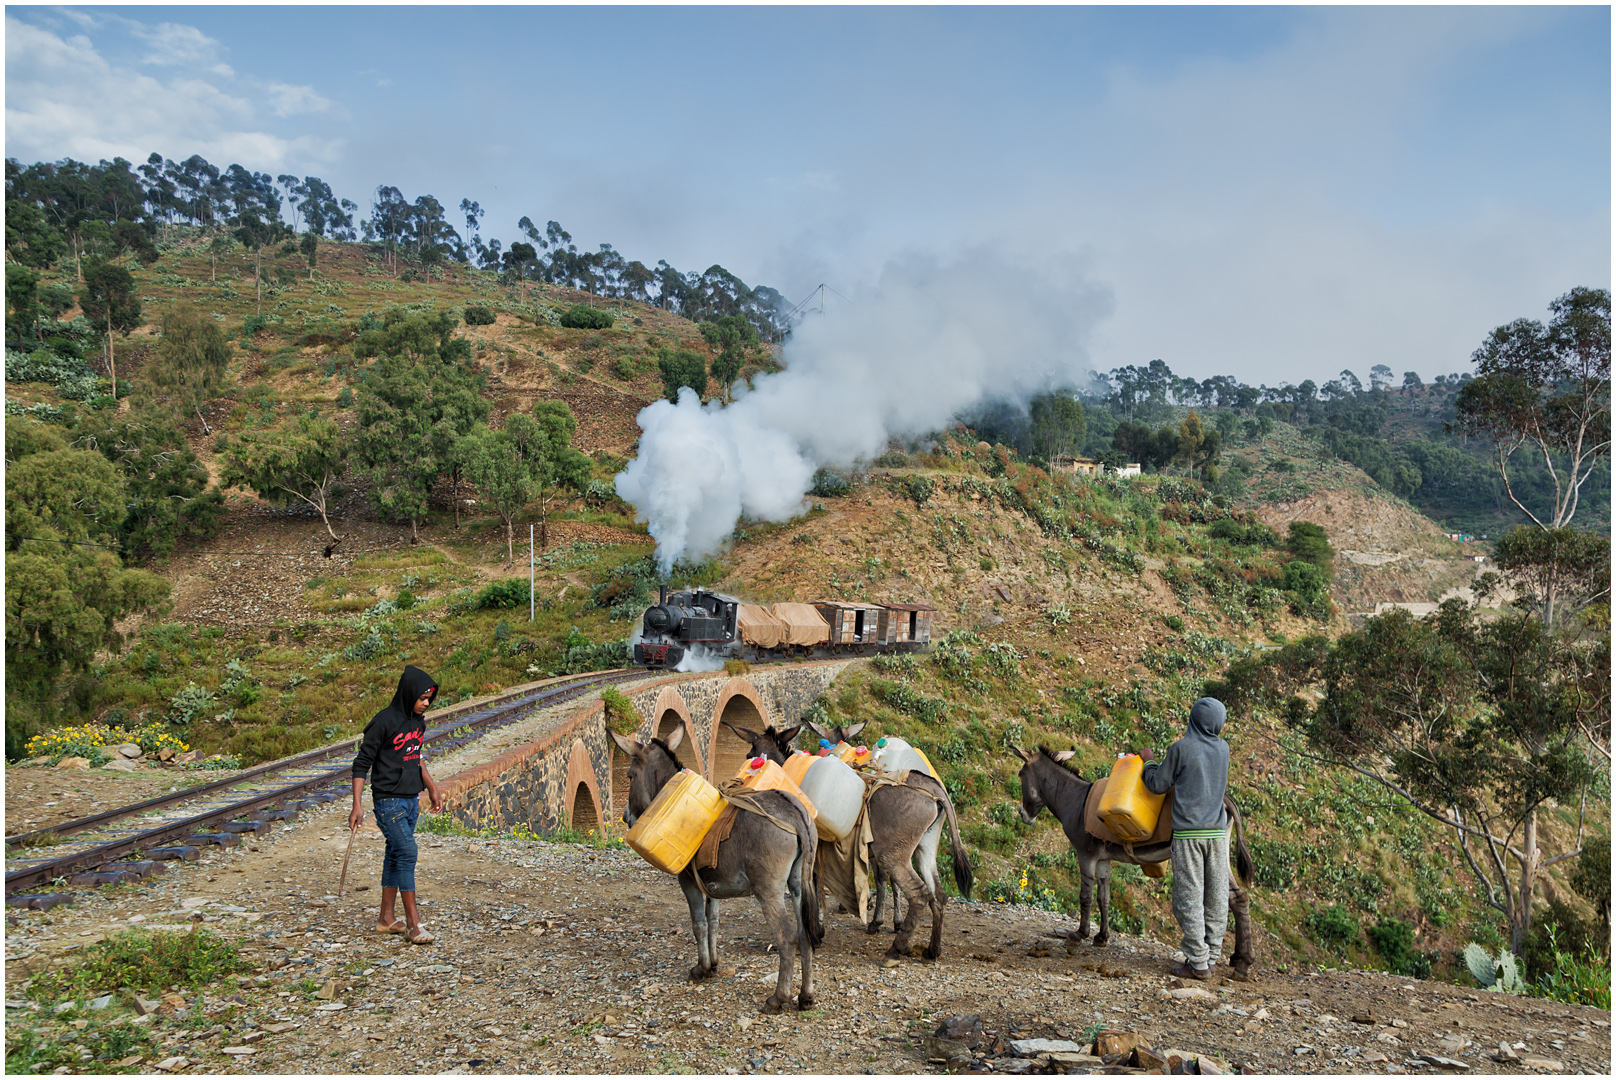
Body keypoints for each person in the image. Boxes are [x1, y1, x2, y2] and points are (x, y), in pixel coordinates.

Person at [1138, 696, 1230, 981]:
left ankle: (1198, 964)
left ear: (1193, 719)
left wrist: (1148, 761)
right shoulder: (1224, 748)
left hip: (1189, 834)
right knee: (1216, 896)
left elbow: (1157, 785)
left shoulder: (1181, 748)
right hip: (1217, 833)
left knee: (1187, 897)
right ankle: (1212, 956)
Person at [351, 664, 444, 944]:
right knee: (407, 852)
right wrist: (357, 805)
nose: (426, 704)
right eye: (422, 698)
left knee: (395, 853)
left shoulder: (418, 722)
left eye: (429, 699)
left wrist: (431, 787)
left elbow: (415, 756)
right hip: (388, 801)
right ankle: (415, 926)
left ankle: (386, 919)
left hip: (411, 799)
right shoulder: (383, 722)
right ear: (408, 694)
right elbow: (361, 764)